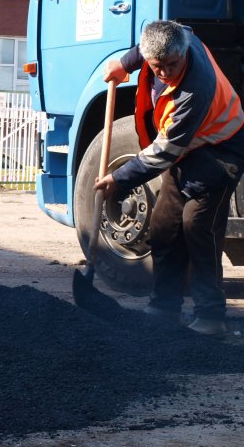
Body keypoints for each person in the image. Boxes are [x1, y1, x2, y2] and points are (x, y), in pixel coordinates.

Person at [96, 20, 244, 336]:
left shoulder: (195, 87)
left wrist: (119, 178)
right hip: (190, 149)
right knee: (164, 228)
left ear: (183, 53)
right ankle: (164, 307)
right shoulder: (172, 40)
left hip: (222, 149)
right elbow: (143, 49)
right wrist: (124, 64)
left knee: (198, 229)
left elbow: (166, 151)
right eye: (156, 66)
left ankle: (211, 318)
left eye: (171, 65)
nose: (163, 73)